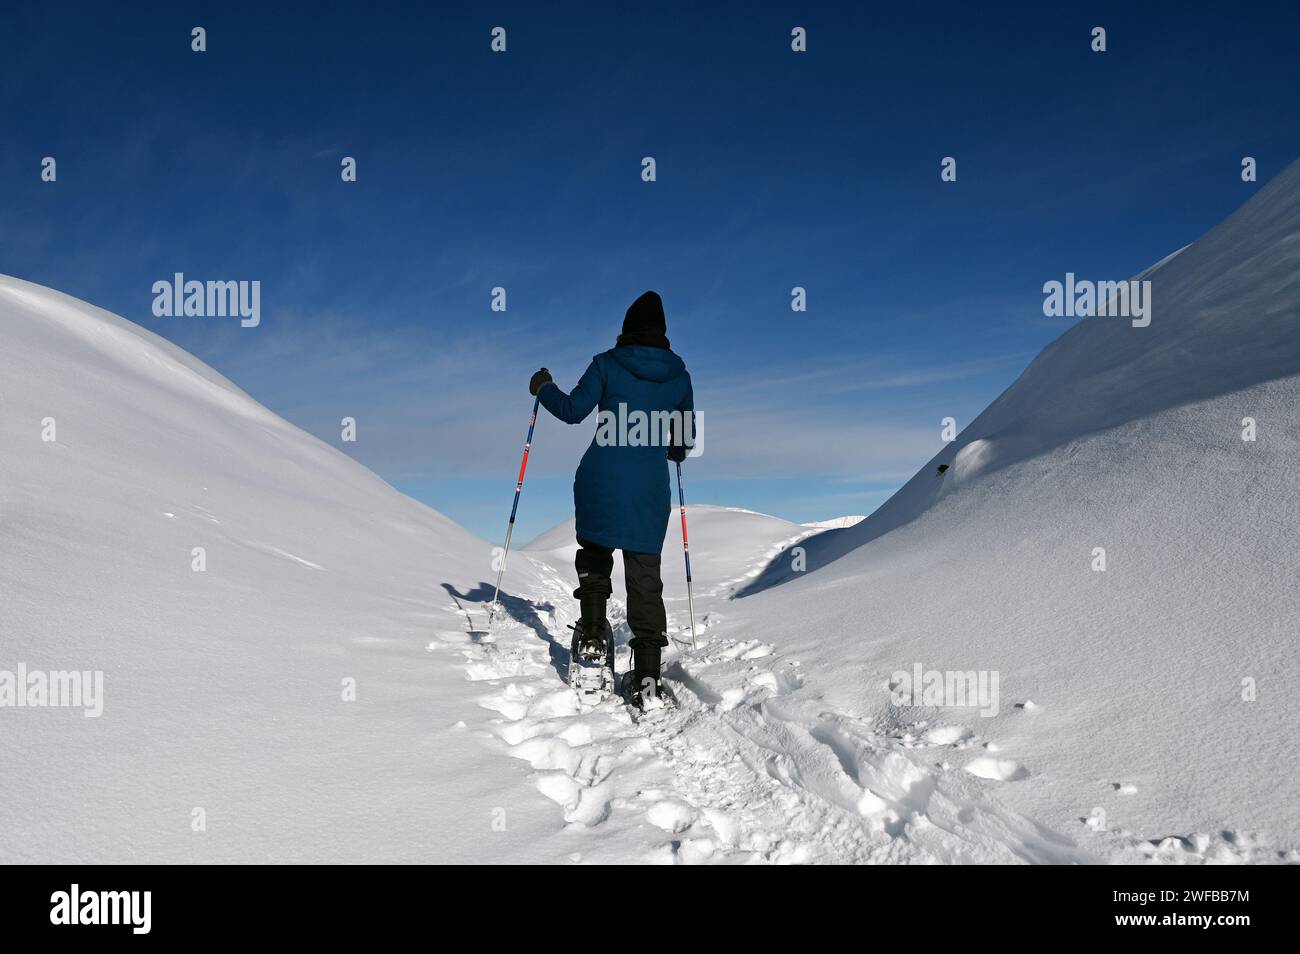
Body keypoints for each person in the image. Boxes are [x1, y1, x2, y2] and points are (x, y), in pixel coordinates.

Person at [529, 290, 694, 707]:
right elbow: (682, 443)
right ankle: (648, 677)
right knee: (644, 578)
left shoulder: (606, 363)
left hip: (600, 482)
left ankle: (592, 641)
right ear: (663, 332)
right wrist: (667, 446)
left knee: (596, 555)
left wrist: (543, 387)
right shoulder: (679, 376)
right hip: (647, 492)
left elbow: (571, 411)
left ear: (626, 328)